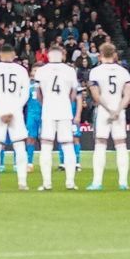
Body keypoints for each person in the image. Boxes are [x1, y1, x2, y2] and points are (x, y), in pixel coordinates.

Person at [0, 43, 32, 190]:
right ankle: (22, 182)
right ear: (13, 55)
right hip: (15, 110)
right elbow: (25, 93)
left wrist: (0, 111)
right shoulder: (21, 70)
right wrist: (15, 110)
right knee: (19, 145)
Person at [34, 45, 82, 191]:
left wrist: (46, 104)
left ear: (48, 56)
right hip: (65, 110)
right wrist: (67, 102)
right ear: (62, 55)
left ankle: (47, 183)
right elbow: (74, 94)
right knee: (68, 146)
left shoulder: (41, 71)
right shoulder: (70, 70)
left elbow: (38, 94)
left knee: (46, 146)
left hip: (48, 111)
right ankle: (70, 183)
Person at [88, 42, 130, 191]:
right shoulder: (124, 72)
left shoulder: (95, 72)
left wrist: (108, 109)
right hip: (119, 111)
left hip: (103, 110)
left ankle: (97, 182)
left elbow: (96, 95)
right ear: (114, 55)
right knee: (121, 145)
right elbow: (127, 95)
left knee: (100, 144)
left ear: (100, 55)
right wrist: (118, 109)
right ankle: (123, 182)